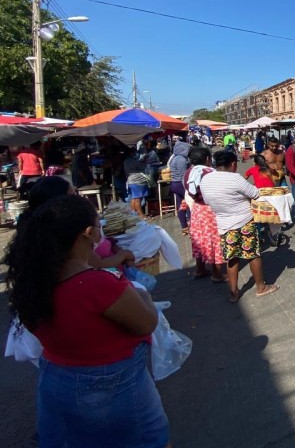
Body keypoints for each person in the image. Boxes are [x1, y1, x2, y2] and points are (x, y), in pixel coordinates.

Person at [3, 195, 170, 447]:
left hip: (56, 380)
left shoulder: (33, 282)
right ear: (89, 233)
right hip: (114, 385)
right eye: (99, 227)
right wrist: (142, 294)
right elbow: (147, 323)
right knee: (149, 440)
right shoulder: (97, 284)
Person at [200, 150, 278, 303]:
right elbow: (255, 193)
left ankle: (233, 292)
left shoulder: (206, 180)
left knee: (232, 258)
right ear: (233, 164)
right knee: (253, 255)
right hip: (245, 222)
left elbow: (208, 201)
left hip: (223, 224)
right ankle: (260, 287)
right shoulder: (235, 178)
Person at [183, 147, 226, 282]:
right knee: (215, 240)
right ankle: (217, 273)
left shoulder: (188, 173)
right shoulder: (209, 173)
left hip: (197, 209)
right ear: (207, 159)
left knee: (200, 239)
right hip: (210, 210)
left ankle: (200, 269)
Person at [169, 136, 191, 235]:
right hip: (180, 183)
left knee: (180, 206)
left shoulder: (174, 158)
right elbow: (183, 175)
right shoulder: (181, 159)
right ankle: (191, 225)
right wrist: (187, 187)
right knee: (189, 204)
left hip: (174, 183)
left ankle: (184, 227)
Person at [124, 147, 151, 218]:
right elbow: (142, 166)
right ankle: (141, 215)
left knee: (134, 198)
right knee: (138, 199)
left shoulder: (126, 161)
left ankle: (133, 214)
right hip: (137, 181)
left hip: (131, 181)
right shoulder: (132, 161)